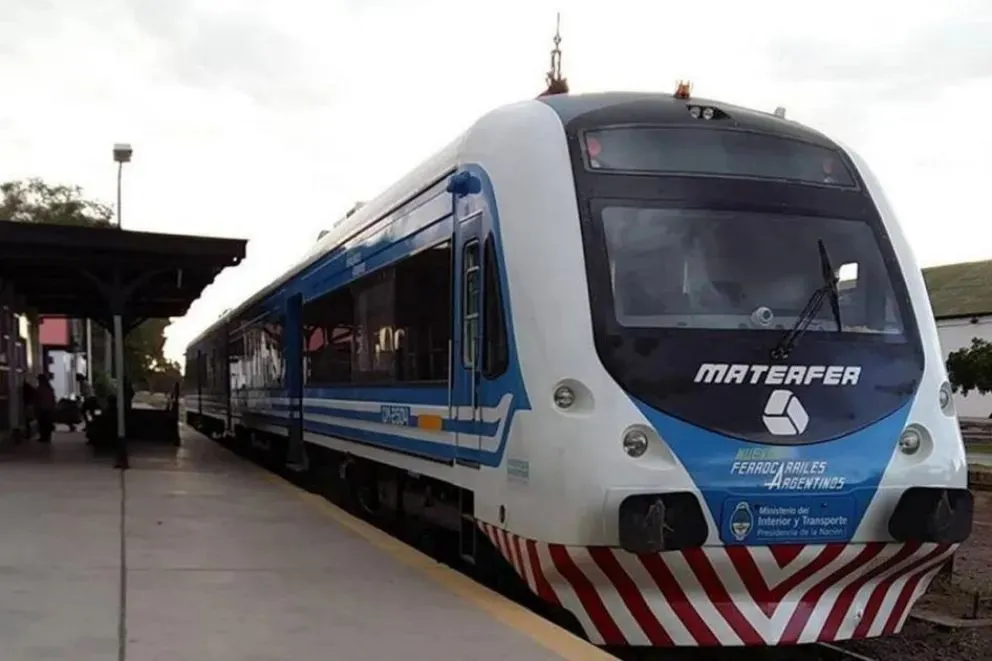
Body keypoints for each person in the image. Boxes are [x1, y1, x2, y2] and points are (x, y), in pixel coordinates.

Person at [35, 373, 57, 444]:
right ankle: (47, 436)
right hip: (48, 408)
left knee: (42, 423)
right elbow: (53, 399)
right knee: (47, 423)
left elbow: (38, 399)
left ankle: (43, 436)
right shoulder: (49, 388)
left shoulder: (40, 389)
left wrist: (37, 407)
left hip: (43, 408)